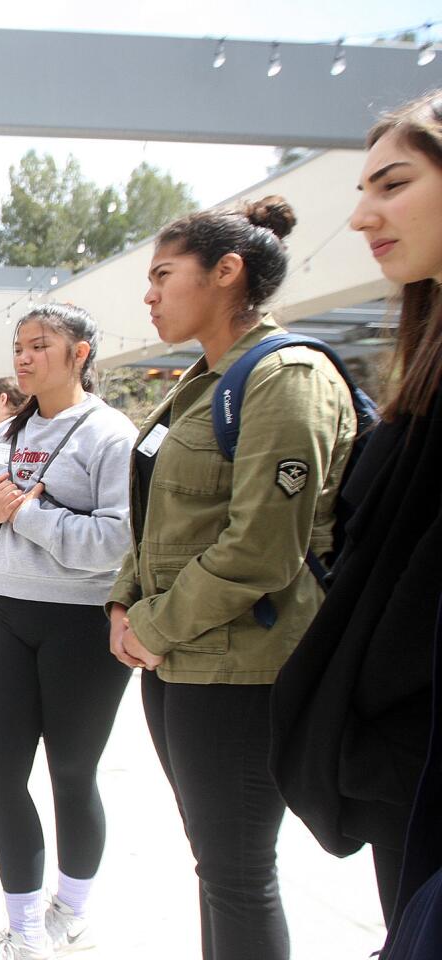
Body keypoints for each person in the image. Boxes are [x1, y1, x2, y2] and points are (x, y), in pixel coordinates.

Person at [107, 197, 356, 959]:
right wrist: (124, 601)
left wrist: (148, 626)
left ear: (226, 272)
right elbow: (155, 514)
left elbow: (260, 550)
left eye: (162, 275)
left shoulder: (285, 378)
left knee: (240, 873)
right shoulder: (200, 381)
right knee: (217, 868)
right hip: (178, 661)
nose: (147, 294)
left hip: (242, 669)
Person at [270, 91, 442, 940]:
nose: (363, 215)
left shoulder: (286, 377)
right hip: (396, 753)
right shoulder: (422, 361)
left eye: (394, 183)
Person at [0, 304, 137, 959]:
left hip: (83, 626)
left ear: (81, 353)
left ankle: (75, 908)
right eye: (19, 347)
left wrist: (25, 517)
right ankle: (26, 926)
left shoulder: (111, 435)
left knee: (70, 773)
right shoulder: (5, 436)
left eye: (40, 346)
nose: (24, 358)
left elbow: (114, 544)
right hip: (11, 616)